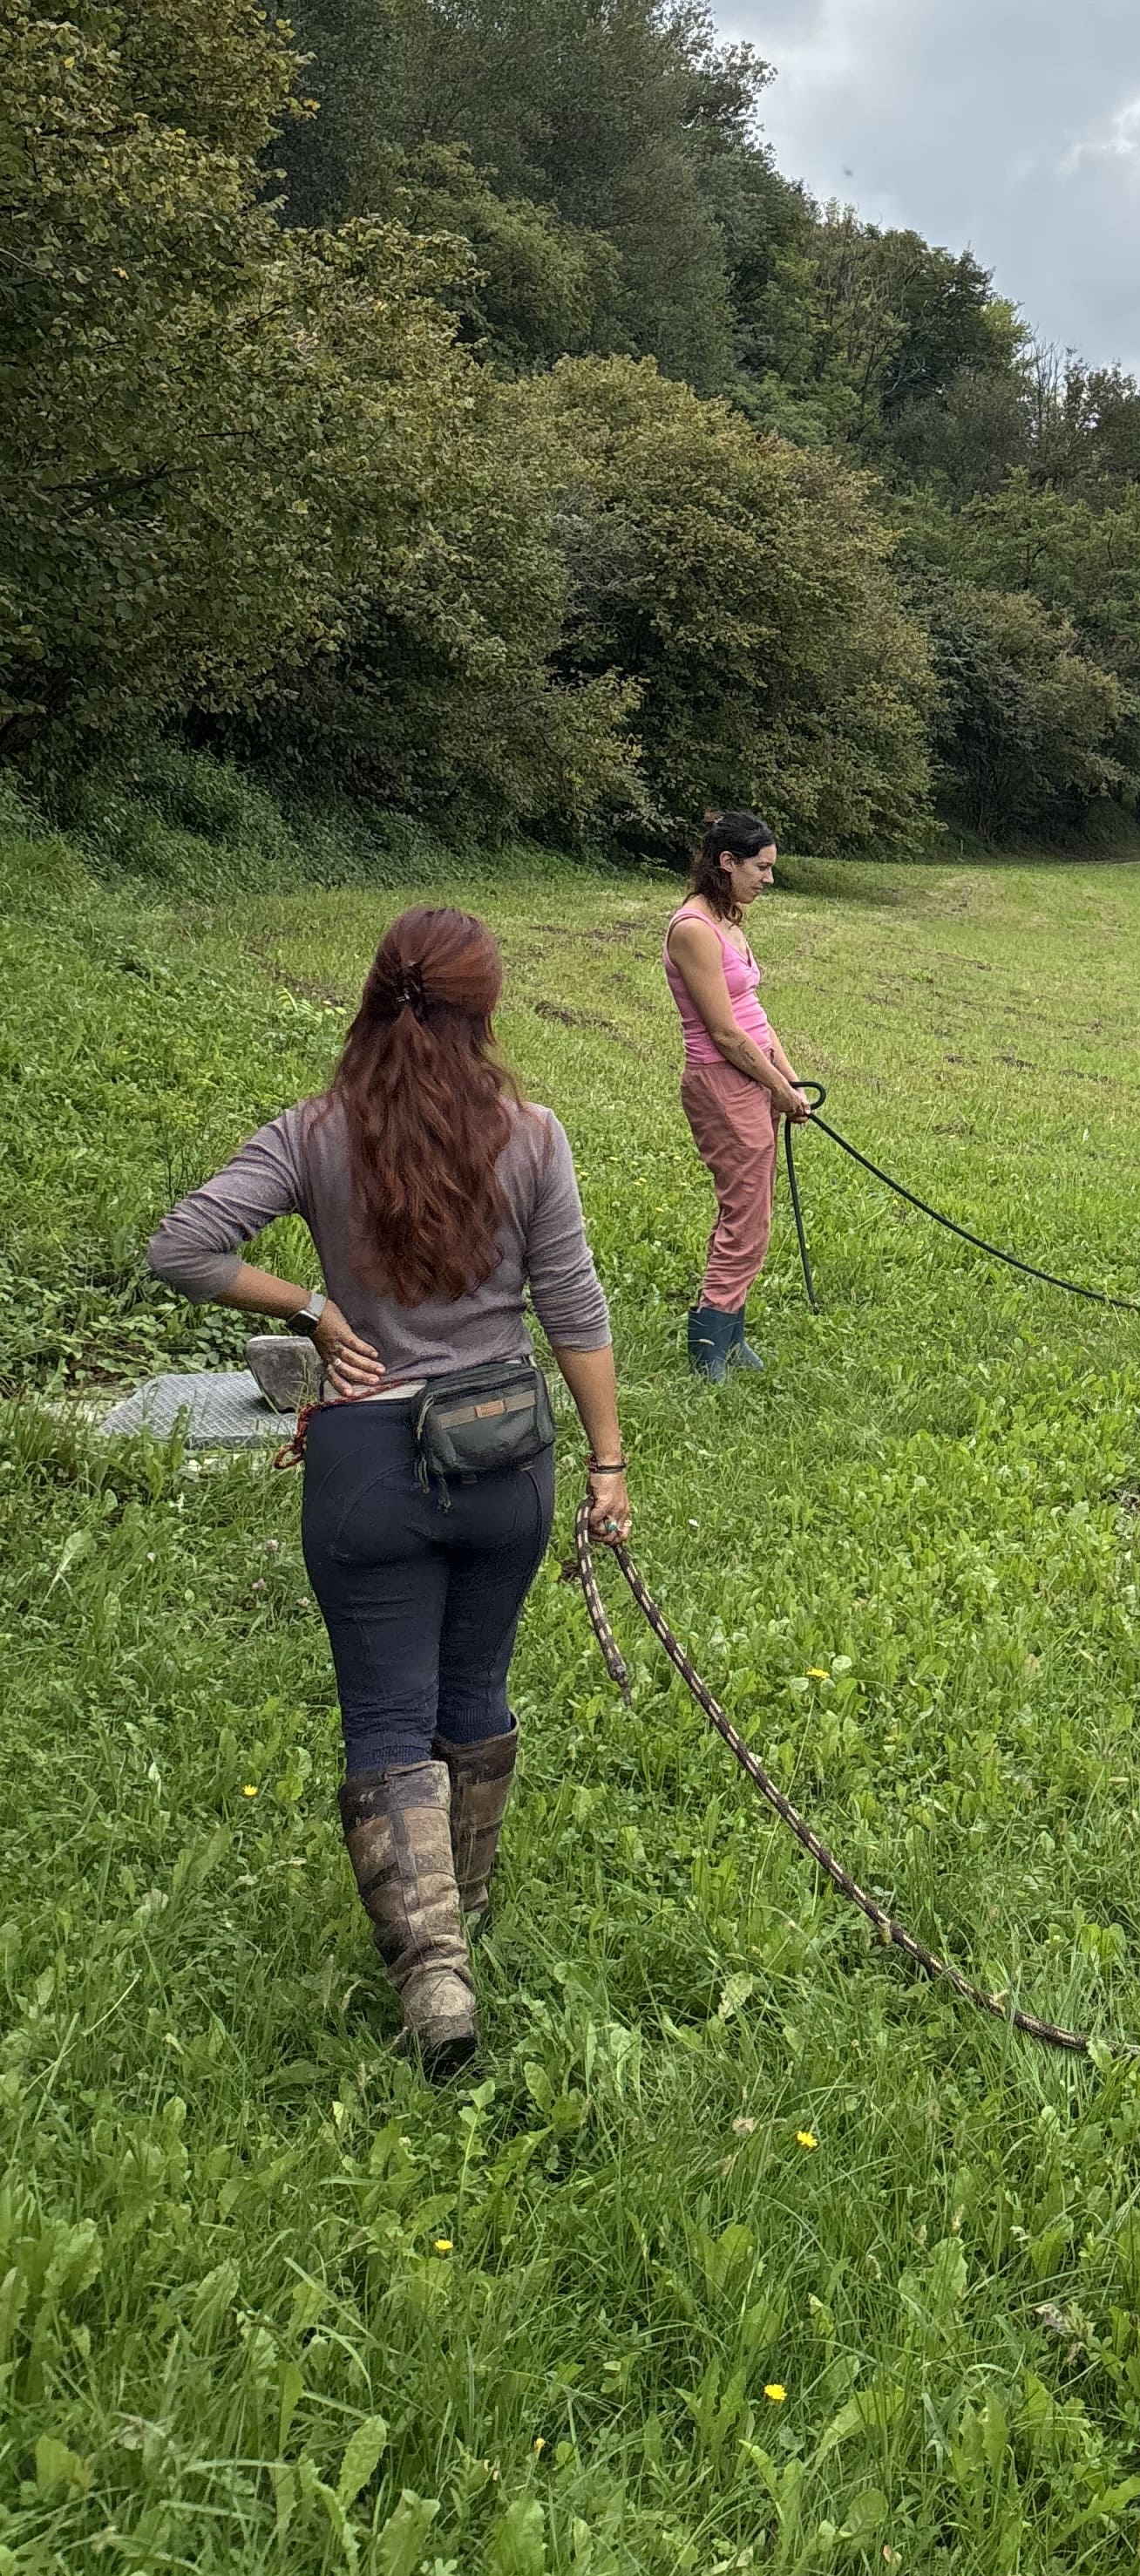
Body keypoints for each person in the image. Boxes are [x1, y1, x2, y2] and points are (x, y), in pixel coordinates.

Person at [147, 908, 629, 2078]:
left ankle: (433, 1981)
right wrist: (609, 1462)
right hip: (503, 1458)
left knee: (385, 1718)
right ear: (487, 1009)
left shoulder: (317, 1132)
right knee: (475, 1688)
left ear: (371, 996)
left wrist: (316, 1310)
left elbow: (183, 1246)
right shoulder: (534, 1136)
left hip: (367, 1470)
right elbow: (574, 1309)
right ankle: (455, 1927)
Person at [665, 810, 813, 1382]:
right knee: (744, 1219)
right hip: (723, 1084)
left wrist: (789, 1079)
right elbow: (724, 1033)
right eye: (762, 867)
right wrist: (777, 1088)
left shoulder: (731, 919)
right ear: (726, 862)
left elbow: (754, 1015)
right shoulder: (692, 931)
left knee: (752, 1215)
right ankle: (708, 1349)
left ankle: (731, 1334)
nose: (768, 879)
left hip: (755, 1079)